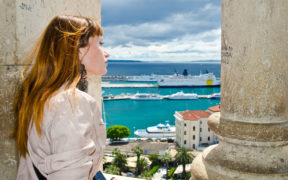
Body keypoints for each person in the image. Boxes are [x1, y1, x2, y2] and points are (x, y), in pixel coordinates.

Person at [13, 15, 110, 180]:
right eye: (100, 43)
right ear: (77, 48)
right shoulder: (71, 102)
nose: (106, 53)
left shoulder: (39, 95)